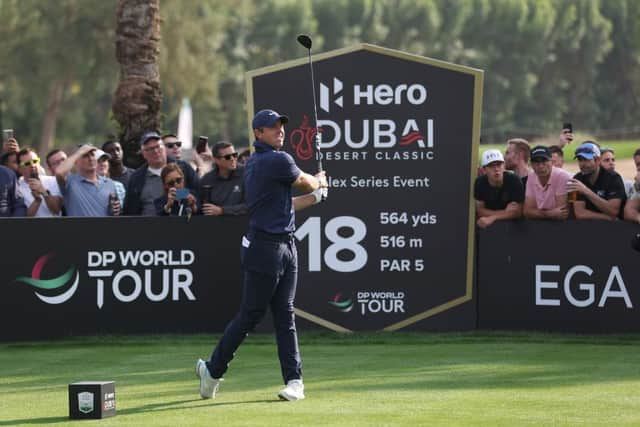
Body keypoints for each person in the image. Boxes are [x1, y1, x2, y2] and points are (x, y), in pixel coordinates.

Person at [195, 109, 328, 402]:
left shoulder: (256, 163)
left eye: (281, 124)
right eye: (271, 127)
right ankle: (212, 370)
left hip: (285, 245)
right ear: (258, 133)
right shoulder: (276, 160)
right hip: (265, 248)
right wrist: (318, 181)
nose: (279, 130)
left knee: (285, 314)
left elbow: (284, 205)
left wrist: (317, 197)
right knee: (251, 314)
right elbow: (305, 182)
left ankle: (295, 381)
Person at [124, 131, 198, 216]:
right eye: (150, 149)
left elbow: (197, 192)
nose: (155, 151)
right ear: (144, 154)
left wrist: (180, 194)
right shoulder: (136, 178)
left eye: (158, 146)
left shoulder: (183, 167)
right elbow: (129, 209)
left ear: (164, 148)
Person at [55, 144, 122, 217]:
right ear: (76, 162)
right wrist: (80, 152)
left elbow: (114, 211)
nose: (90, 158)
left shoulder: (109, 183)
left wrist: (115, 210)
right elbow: (59, 172)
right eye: (85, 156)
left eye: (93, 155)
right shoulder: (70, 182)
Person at [568, 141, 626, 220]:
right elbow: (579, 213)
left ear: (597, 160)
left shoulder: (614, 178)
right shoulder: (576, 179)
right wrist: (606, 218)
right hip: (590, 226)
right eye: (580, 160)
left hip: (615, 228)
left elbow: (613, 211)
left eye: (586, 159)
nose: (582, 164)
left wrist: (586, 191)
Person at [474, 149, 524, 228]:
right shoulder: (480, 183)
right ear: (484, 170)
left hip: (513, 228)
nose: (496, 169)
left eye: (499, 164)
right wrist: (506, 213)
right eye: (491, 166)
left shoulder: (514, 180)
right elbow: (480, 211)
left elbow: (518, 212)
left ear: (504, 166)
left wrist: (493, 217)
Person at [198, 142, 247, 216]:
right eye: (228, 157)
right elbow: (198, 201)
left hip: (243, 225)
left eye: (234, 155)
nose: (232, 159)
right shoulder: (207, 179)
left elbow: (252, 205)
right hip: (215, 226)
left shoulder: (247, 174)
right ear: (216, 160)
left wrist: (222, 211)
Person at [523, 146, 570, 220]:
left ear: (551, 162)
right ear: (531, 164)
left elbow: (561, 214)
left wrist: (538, 213)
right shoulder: (531, 176)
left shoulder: (562, 176)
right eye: (536, 162)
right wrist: (550, 214)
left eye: (544, 160)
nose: (541, 166)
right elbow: (527, 212)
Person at [16, 148, 63, 217]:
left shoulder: (52, 181)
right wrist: (37, 201)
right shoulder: (17, 188)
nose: (32, 166)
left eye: (35, 161)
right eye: (27, 163)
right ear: (20, 169)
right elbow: (24, 218)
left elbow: (56, 210)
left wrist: (44, 191)